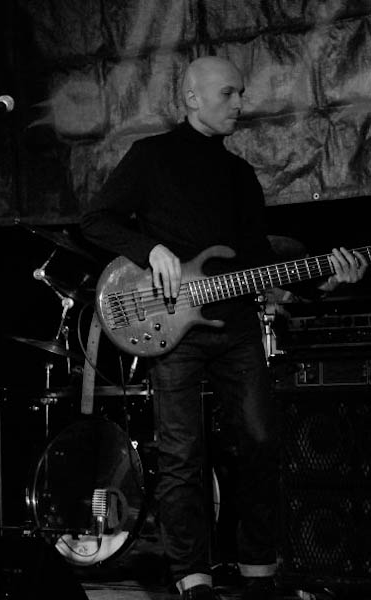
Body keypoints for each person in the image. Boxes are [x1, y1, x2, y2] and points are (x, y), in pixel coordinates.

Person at [80, 56, 367, 600]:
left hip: (234, 325)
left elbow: (260, 262)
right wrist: (150, 248)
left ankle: (259, 571)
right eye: (229, 93)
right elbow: (95, 220)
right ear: (193, 97)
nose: (240, 103)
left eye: (240, 93)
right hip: (170, 323)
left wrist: (322, 280)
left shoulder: (239, 175)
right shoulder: (151, 157)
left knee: (260, 443)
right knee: (182, 454)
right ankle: (192, 577)